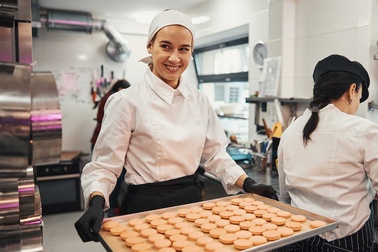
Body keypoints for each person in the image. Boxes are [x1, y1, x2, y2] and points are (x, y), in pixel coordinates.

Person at [74, 9, 278, 243]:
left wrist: (248, 183)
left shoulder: (198, 100)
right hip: (144, 208)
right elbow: (105, 166)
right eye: (166, 46)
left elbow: (214, 155)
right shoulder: (126, 101)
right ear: (150, 46)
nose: (174, 58)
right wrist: (97, 199)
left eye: (184, 49)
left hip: (191, 204)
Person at [277, 54, 378, 251]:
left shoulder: (290, 132)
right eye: (359, 99)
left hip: (297, 240)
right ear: (352, 90)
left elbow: (285, 195)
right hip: (347, 243)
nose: (356, 107)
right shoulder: (364, 131)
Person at [90, 79, 131, 217]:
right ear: (120, 88)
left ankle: (111, 207)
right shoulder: (114, 99)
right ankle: (111, 209)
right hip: (105, 142)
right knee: (113, 177)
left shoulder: (109, 96)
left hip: (100, 140)